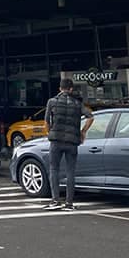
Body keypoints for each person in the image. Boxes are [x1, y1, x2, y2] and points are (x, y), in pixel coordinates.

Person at [44, 79, 94, 210]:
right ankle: (69, 203)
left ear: (60, 88)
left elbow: (47, 121)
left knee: (54, 169)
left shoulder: (52, 101)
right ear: (71, 89)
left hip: (56, 141)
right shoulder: (78, 103)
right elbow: (90, 116)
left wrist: (50, 133)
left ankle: (55, 201)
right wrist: (83, 132)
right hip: (72, 142)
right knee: (70, 171)